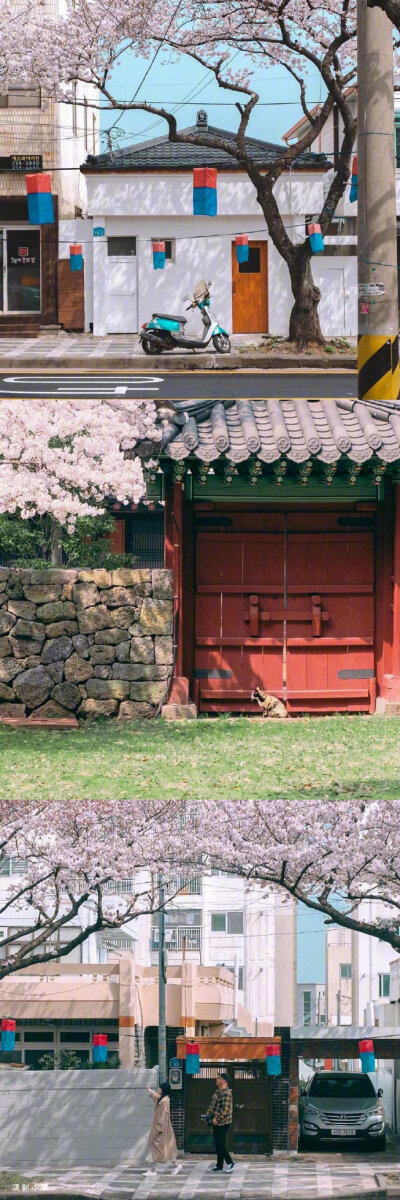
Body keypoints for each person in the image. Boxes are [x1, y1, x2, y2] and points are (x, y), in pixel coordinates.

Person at [146, 1081, 182, 1175]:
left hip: (162, 1129)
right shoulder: (163, 1099)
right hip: (163, 1128)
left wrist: (159, 1128)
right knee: (165, 1149)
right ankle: (176, 1165)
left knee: (156, 1147)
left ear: (163, 1089)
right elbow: (156, 1096)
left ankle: (153, 1170)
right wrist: (149, 1090)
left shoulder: (164, 1101)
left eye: (160, 1088)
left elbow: (163, 1116)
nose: (158, 1089)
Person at [205, 1072, 235, 1173]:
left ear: (224, 1081)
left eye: (218, 1078)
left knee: (221, 1143)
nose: (216, 1080)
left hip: (223, 1122)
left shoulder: (227, 1093)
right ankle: (219, 1165)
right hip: (216, 1122)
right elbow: (212, 1105)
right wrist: (207, 1115)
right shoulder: (218, 1092)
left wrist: (216, 1119)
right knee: (217, 1143)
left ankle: (230, 1163)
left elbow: (225, 1110)